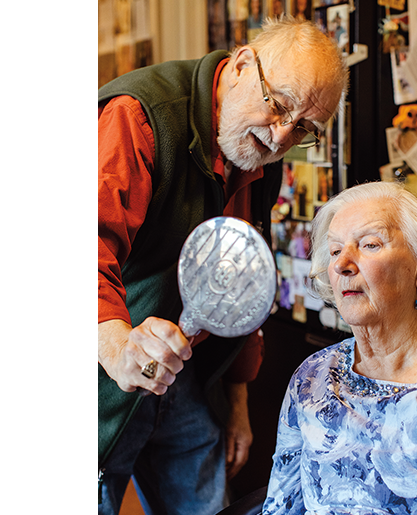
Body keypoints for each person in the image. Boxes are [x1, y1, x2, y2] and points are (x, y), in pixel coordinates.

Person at [98, 16, 349, 515]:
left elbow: (242, 286)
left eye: (303, 127)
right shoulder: (139, 118)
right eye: (278, 105)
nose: (281, 137)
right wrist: (117, 344)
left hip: (187, 377)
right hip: (106, 372)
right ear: (239, 66)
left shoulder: (258, 160)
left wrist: (237, 403)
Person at [262, 181, 417, 514]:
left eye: (369, 244)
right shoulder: (312, 376)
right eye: (336, 250)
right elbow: (280, 507)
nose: (342, 264)